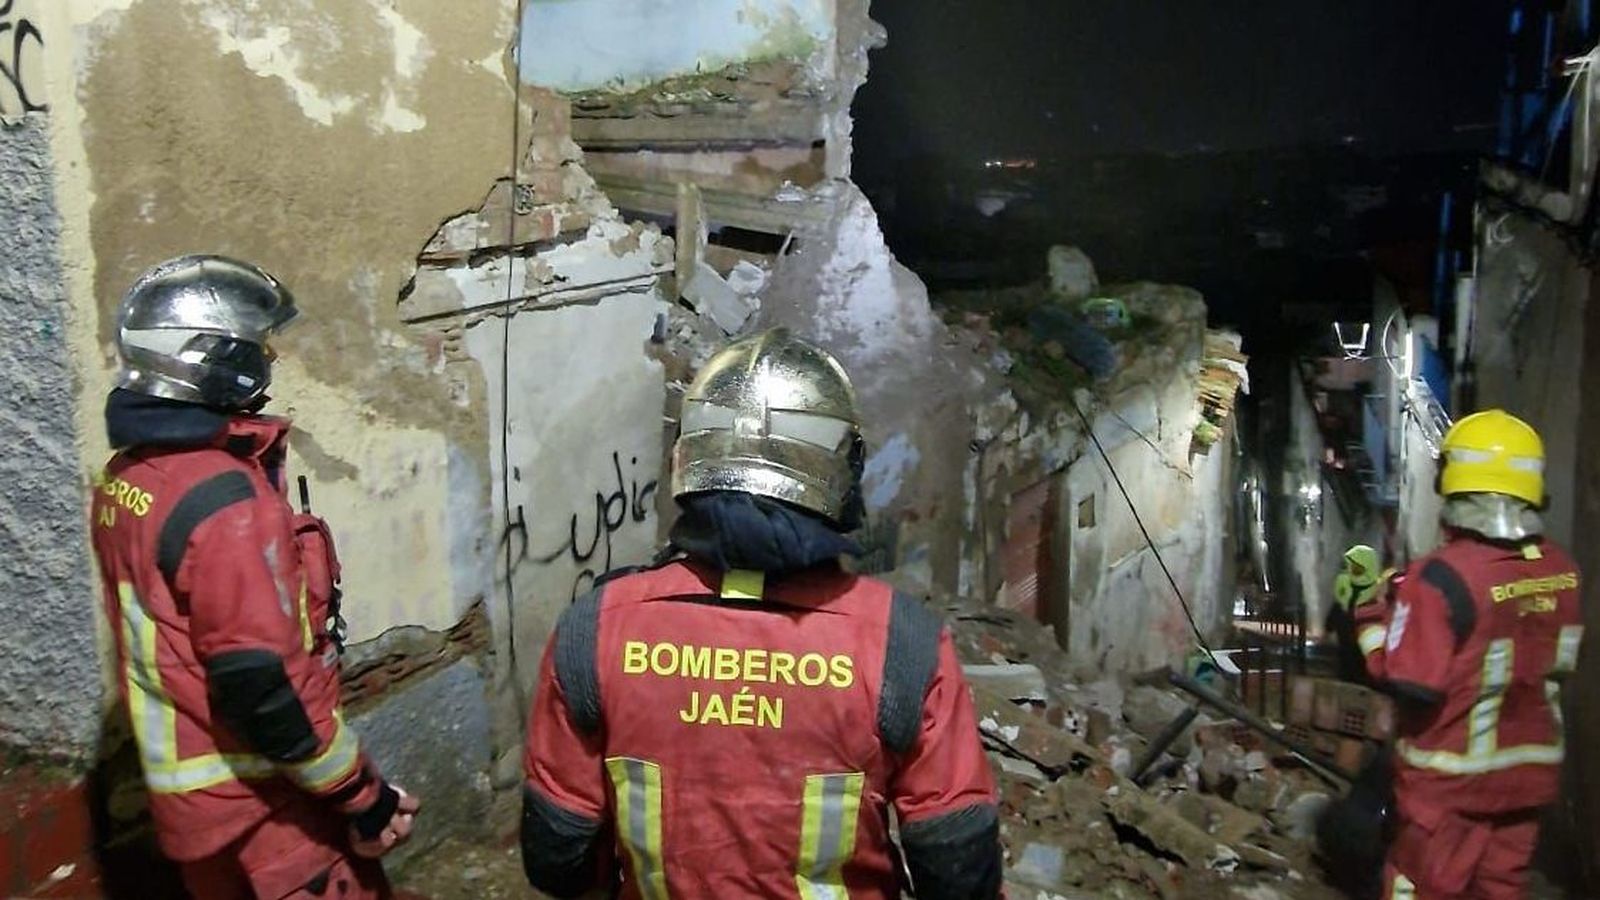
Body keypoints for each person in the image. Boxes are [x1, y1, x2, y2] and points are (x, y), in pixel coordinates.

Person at [519, 328, 1003, 899]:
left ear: (689, 457)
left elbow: (558, 859)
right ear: (842, 471)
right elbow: (957, 871)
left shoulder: (596, 628)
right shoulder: (902, 643)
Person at [90, 255, 419, 899]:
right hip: (266, 806)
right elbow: (264, 685)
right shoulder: (226, 501)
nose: (267, 359)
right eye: (255, 347)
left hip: (194, 807)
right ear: (208, 357)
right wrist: (363, 796)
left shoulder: (129, 476)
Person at [1351, 410, 1583, 899]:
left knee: (1422, 888)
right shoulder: (1563, 570)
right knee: (1500, 889)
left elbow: (1412, 680)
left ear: (1454, 481)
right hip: (1530, 777)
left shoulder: (1441, 576)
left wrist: (1372, 618)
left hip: (1448, 786)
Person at [1326, 543, 1390, 684]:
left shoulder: (1379, 591)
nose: (1353, 570)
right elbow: (1335, 614)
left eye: (1358, 566)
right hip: (1348, 654)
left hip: (1367, 656)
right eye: (1352, 565)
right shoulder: (1344, 585)